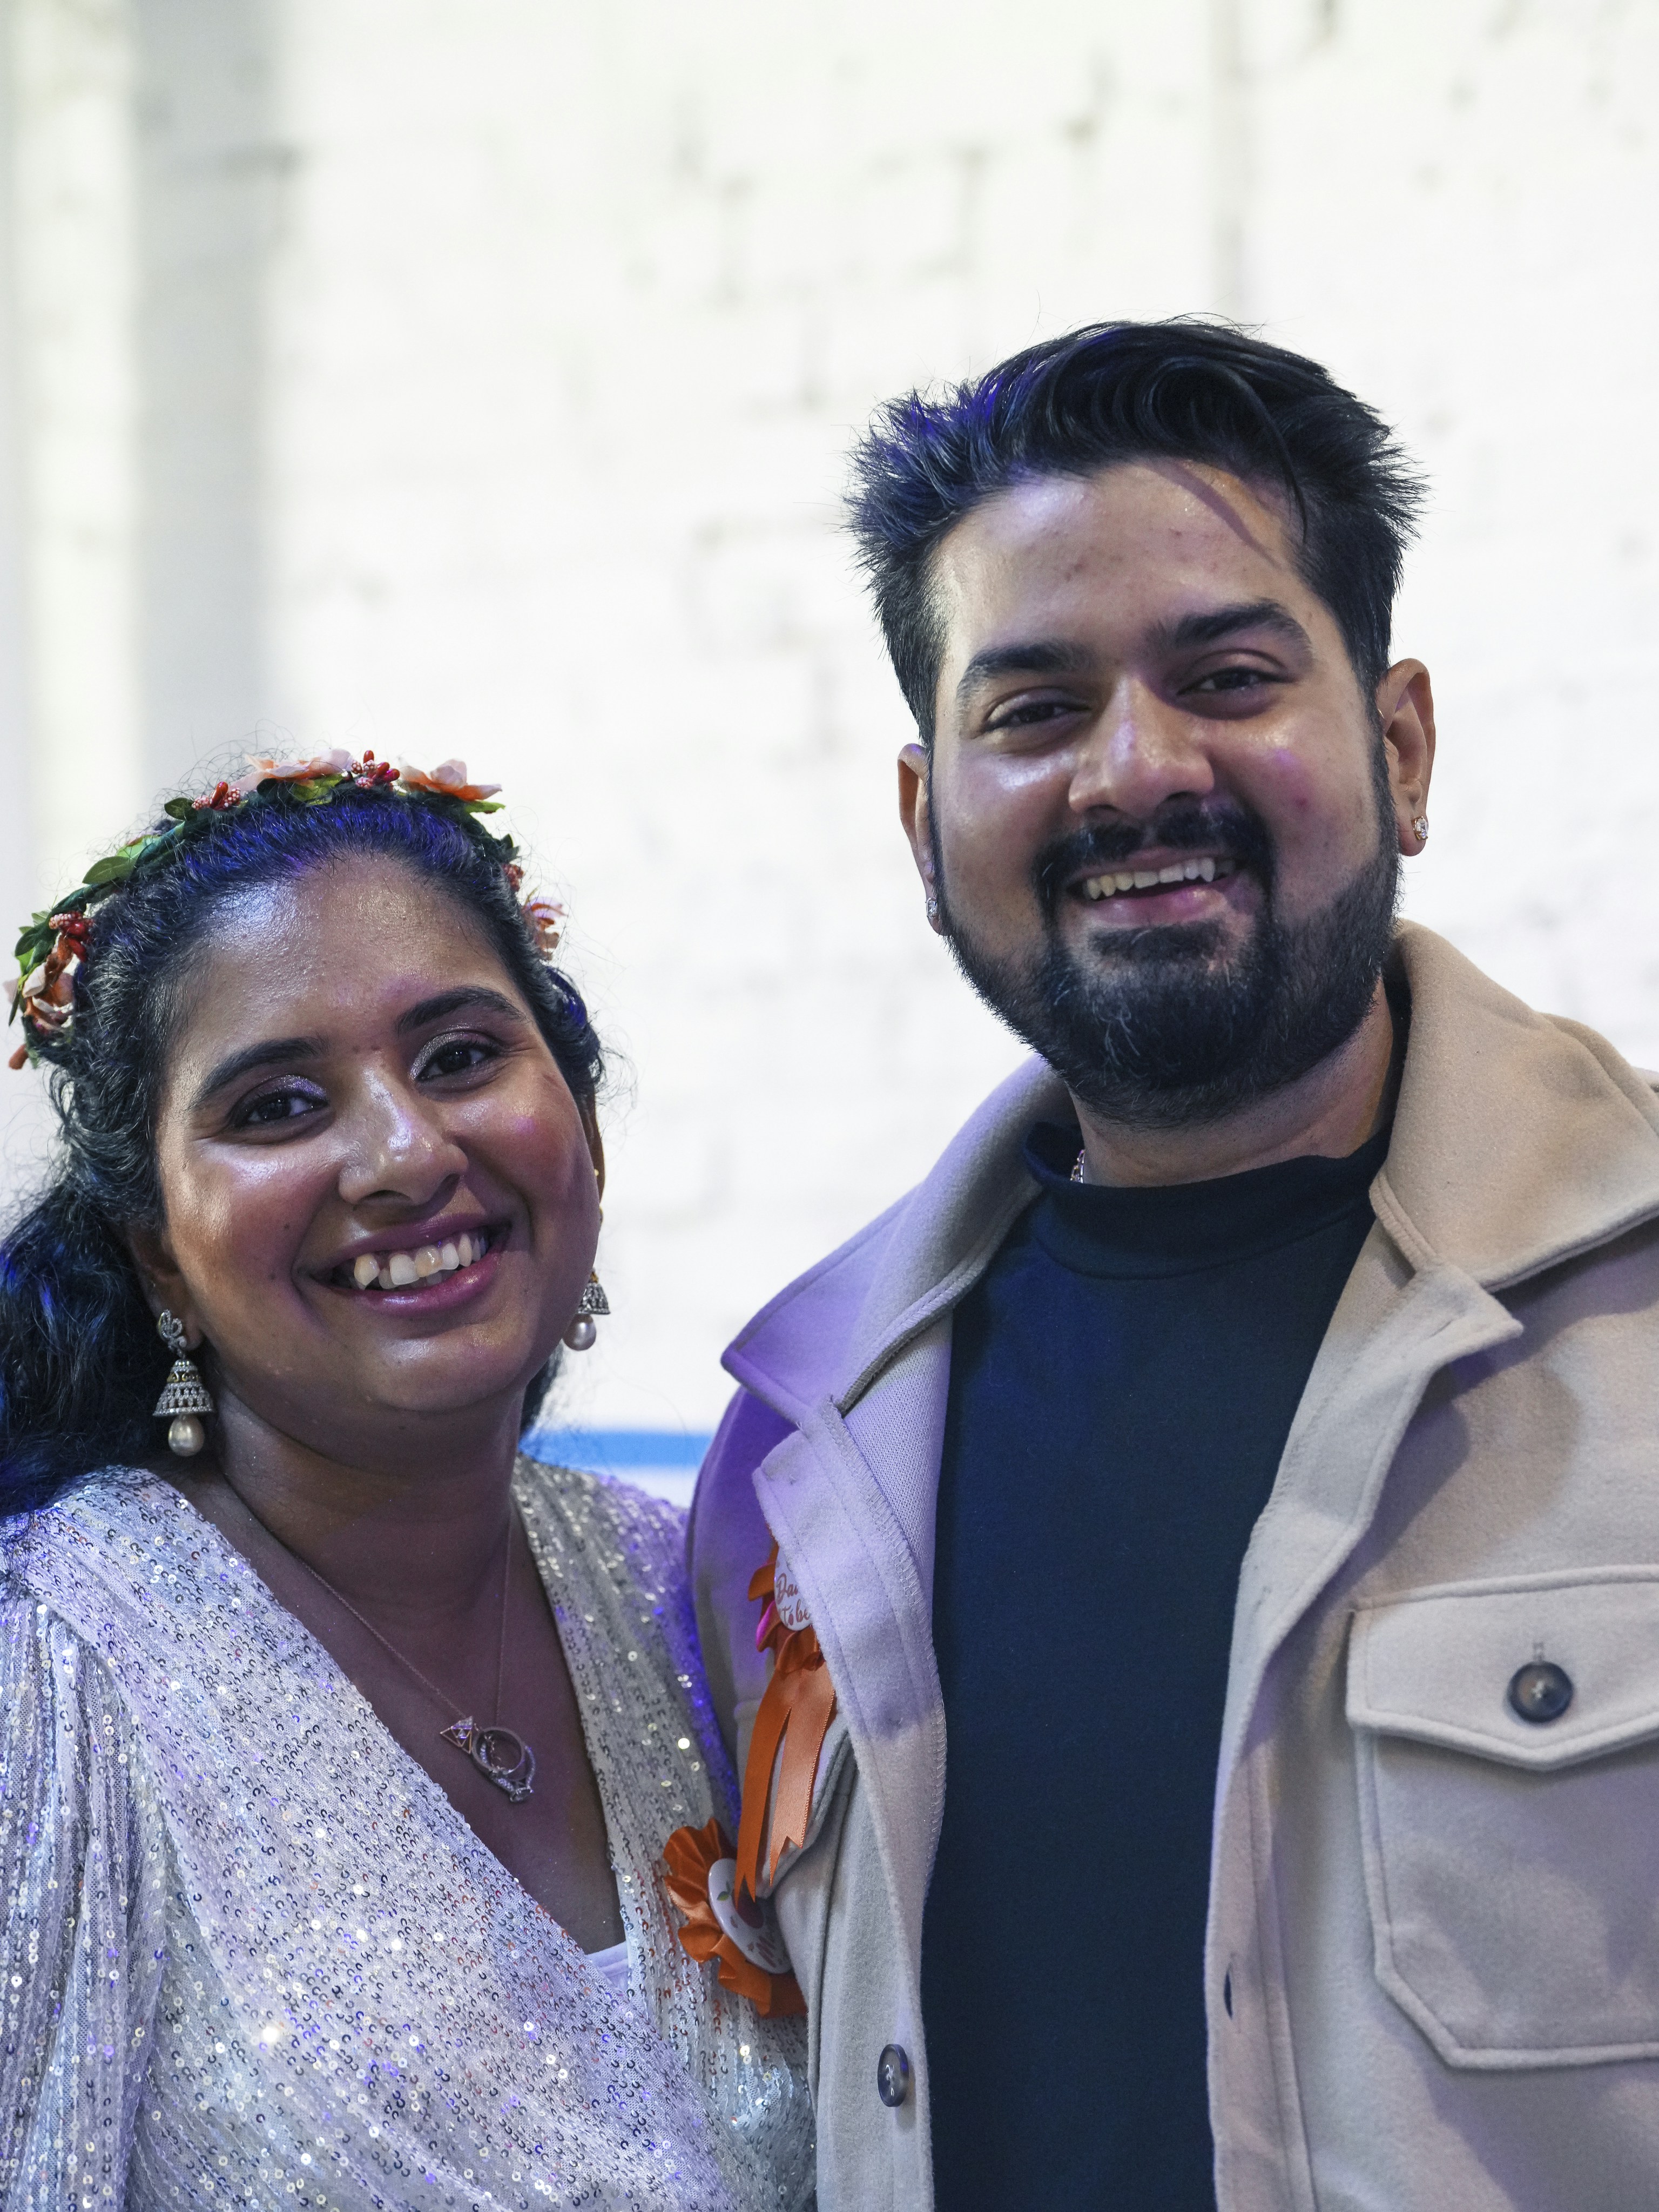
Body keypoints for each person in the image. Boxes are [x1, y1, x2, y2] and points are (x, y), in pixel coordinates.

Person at [689, 318, 1659, 2212]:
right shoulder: (804, 1457)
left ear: (1398, 743)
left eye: (1226, 676)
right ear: (924, 817)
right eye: (1033, 710)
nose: (1135, 774)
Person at [0, 753, 813, 2210]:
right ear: (157, 1251)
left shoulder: (687, 1598)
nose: (400, 1152)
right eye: (278, 1105)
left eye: (457, 1058)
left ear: (585, 1129)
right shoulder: (54, 1674)